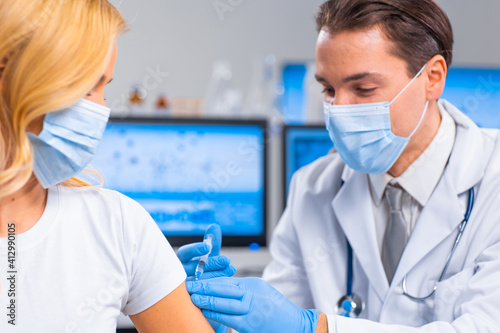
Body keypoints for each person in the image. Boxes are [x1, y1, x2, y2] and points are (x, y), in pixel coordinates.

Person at [180, 0, 500, 332]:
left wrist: (316, 328)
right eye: (329, 89)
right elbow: (273, 316)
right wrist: (224, 313)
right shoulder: (312, 186)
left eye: (363, 89)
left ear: (432, 78)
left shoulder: (493, 180)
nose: (339, 109)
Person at [0, 1, 215, 331]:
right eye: (87, 87)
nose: (101, 109)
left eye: (105, 87)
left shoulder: (118, 225)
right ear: (12, 77)